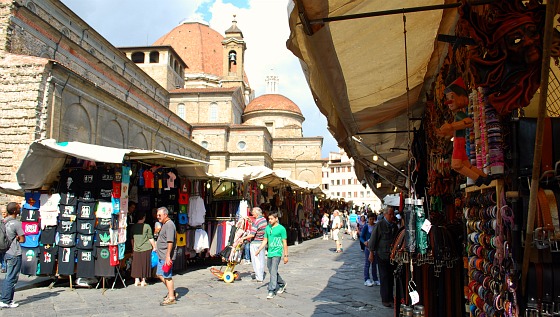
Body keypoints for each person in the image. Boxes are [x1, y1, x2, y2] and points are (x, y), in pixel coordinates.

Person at [437, 77, 490, 187]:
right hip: (459, 141)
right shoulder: (457, 115)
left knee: (456, 165)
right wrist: (447, 131)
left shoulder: (461, 115)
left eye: (452, 97)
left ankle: (478, 179)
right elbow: (458, 128)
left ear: (461, 97)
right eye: (448, 98)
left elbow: (469, 122)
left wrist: (451, 126)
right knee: (466, 165)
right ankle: (484, 177)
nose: (449, 101)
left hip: (459, 143)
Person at [368, 207, 398, 308]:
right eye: (390, 214)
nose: (392, 216)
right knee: (384, 277)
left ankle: (390, 297)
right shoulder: (380, 225)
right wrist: (371, 253)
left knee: (391, 277)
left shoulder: (394, 226)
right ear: (385, 215)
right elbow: (373, 240)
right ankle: (385, 299)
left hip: (392, 256)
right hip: (382, 255)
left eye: (393, 214)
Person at [255, 212, 288, 300]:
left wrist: (285, 255)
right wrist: (259, 250)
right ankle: (282, 283)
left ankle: (271, 290)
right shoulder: (267, 228)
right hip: (270, 252)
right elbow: (265, 240)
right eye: (269, 219)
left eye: (271, 219)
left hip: (277, 253)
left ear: (276, 219)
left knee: (273, 270)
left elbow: (284, 242)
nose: (269, 220)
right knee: (271, 270)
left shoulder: (281, 229)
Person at [1, 202, 25, 308]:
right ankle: (6, 300)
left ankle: (5, 299)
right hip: (14, 253)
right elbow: (23, 239)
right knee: (12, 277)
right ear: (15, 211)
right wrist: (17, 237)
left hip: (5, 252)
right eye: (18, 208)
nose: (20, 209)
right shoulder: (16, 223)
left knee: (8, 276)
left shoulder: (4, 221)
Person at [155, 207, 177, 306]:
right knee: (159, 274)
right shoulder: (165, 224)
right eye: (157, 215)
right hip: (162, 255)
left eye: (159, 215)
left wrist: (168, 255)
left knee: (167, 276)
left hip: (165, 255)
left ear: (165, 215)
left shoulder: (169, 225)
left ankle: (171, 297)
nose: (157, 217)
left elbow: (170, 241)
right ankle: (171, 290)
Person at [130, 211, 156, 287]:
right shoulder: (147, 226)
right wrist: (154, 247)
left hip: (136, 248)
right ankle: (143, 280)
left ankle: (136, 280)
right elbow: (150, 238)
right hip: (146, 247)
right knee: (144, 264)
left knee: (136, 264)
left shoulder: (133, 227)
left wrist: (133, 247)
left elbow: (132, 239)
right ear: (144, 217)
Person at [243, 207, 267, 282]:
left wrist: (242, 238)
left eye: (253, 212)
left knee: (256, 260)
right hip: (262, 242)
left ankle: (259, 277)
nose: (252, 213)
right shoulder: (264, 220)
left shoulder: (256, 221)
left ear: (256, 213)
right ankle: (261, 274)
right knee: (261, 259)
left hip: (255, 243)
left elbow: (252, 235)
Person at [360, 213, 379, 287]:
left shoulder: (376, 226)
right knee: (367, 263)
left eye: (373, 219)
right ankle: (366, 279)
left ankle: (375, 279)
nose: (371, 221)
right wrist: (364, 242)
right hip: (368, 247)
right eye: (370, 219)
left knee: (374, 264)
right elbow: (361, 237)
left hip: (375, 248)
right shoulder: (366, 227)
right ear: (368, 219)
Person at [0, 207, 8, 273]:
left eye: (4, 212)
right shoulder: (1, 220)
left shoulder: (8, 220)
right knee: (2, 255)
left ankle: (4, 266)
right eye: (2, 212)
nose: (3, 214)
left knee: (4, 255)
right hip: (1, 240)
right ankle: (3, 266)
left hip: (5, 240)